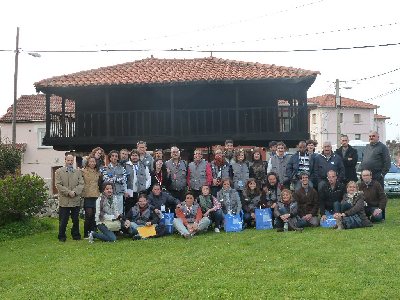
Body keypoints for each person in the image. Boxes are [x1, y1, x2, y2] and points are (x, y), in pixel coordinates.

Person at [55, 154, 84, 242]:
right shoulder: (59, 171)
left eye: (72, 161)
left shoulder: (78, 172)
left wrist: (74, 192)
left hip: (75, 199)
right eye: (68, 160)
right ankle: (61, 236)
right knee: (63, 220)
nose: (70, 162)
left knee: (75, 219)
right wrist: (68, 192)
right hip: (65, 200)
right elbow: (58, 184)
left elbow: (81, 184)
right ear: (65, 160)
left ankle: (76, 235)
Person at [100, 150, 128, 216]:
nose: (114, 157)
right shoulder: (105, 169)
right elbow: (106, 180)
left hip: (119, 193)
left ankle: (120, 226)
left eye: (116, 156)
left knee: (120, 212)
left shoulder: (122, 168)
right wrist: (118, 179)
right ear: (110, 157)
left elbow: (124, 179)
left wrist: (114, 179)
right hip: (109, 194)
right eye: (112, 156)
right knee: (109, 212)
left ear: (118, 158)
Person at [125, 149, 151, 214]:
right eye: (133, 155)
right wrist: (125, 191)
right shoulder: (126, 165)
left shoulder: (144, 166)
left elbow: (148, 178)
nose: (134, 157)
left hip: (141, 192)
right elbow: (123, 180)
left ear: (139, 157)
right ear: (130, 157)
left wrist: (145, 187)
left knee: (141, 209)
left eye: (136, 155)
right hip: (130, 192)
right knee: (129, 209)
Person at [81, 156, 101, 238]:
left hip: (96, 195)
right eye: (91, 161)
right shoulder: (83, 171)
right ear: (88, 163)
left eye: (94, 161)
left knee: (94, 215)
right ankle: (86, 233)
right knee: (88, 215)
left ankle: (92, 232)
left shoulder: (98, 172)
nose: (92, 163)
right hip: (87, 195)